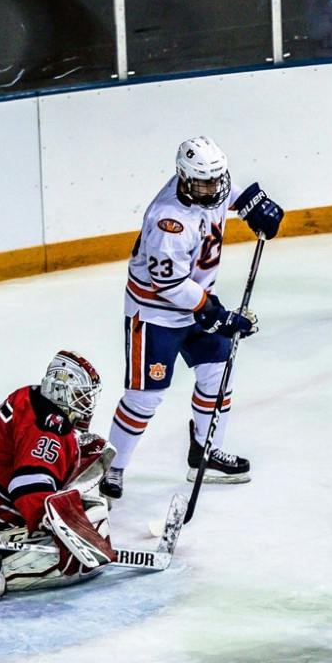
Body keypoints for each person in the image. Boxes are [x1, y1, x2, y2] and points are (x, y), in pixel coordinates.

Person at [101, 135, 282, 501]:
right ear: (184, 179)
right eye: (204, 183)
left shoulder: (210, 183)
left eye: (217, 180)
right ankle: (113, 466)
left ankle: (204, 451)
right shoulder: (168, 220)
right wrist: (217, 316)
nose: (213, 188)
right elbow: (168, 285)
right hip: (155, 314)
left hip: (197, 303)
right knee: (144, 398)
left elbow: (229, 189)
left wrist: (253, 202)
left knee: (217, 375)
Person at [0, 352, 115, 599]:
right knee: (52, 539)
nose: (85, 404)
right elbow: (28, 485)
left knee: (54, 511)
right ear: (61, 389)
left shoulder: (30, 395)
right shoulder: (51, 428)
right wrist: (51, 523)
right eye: (80, 395)